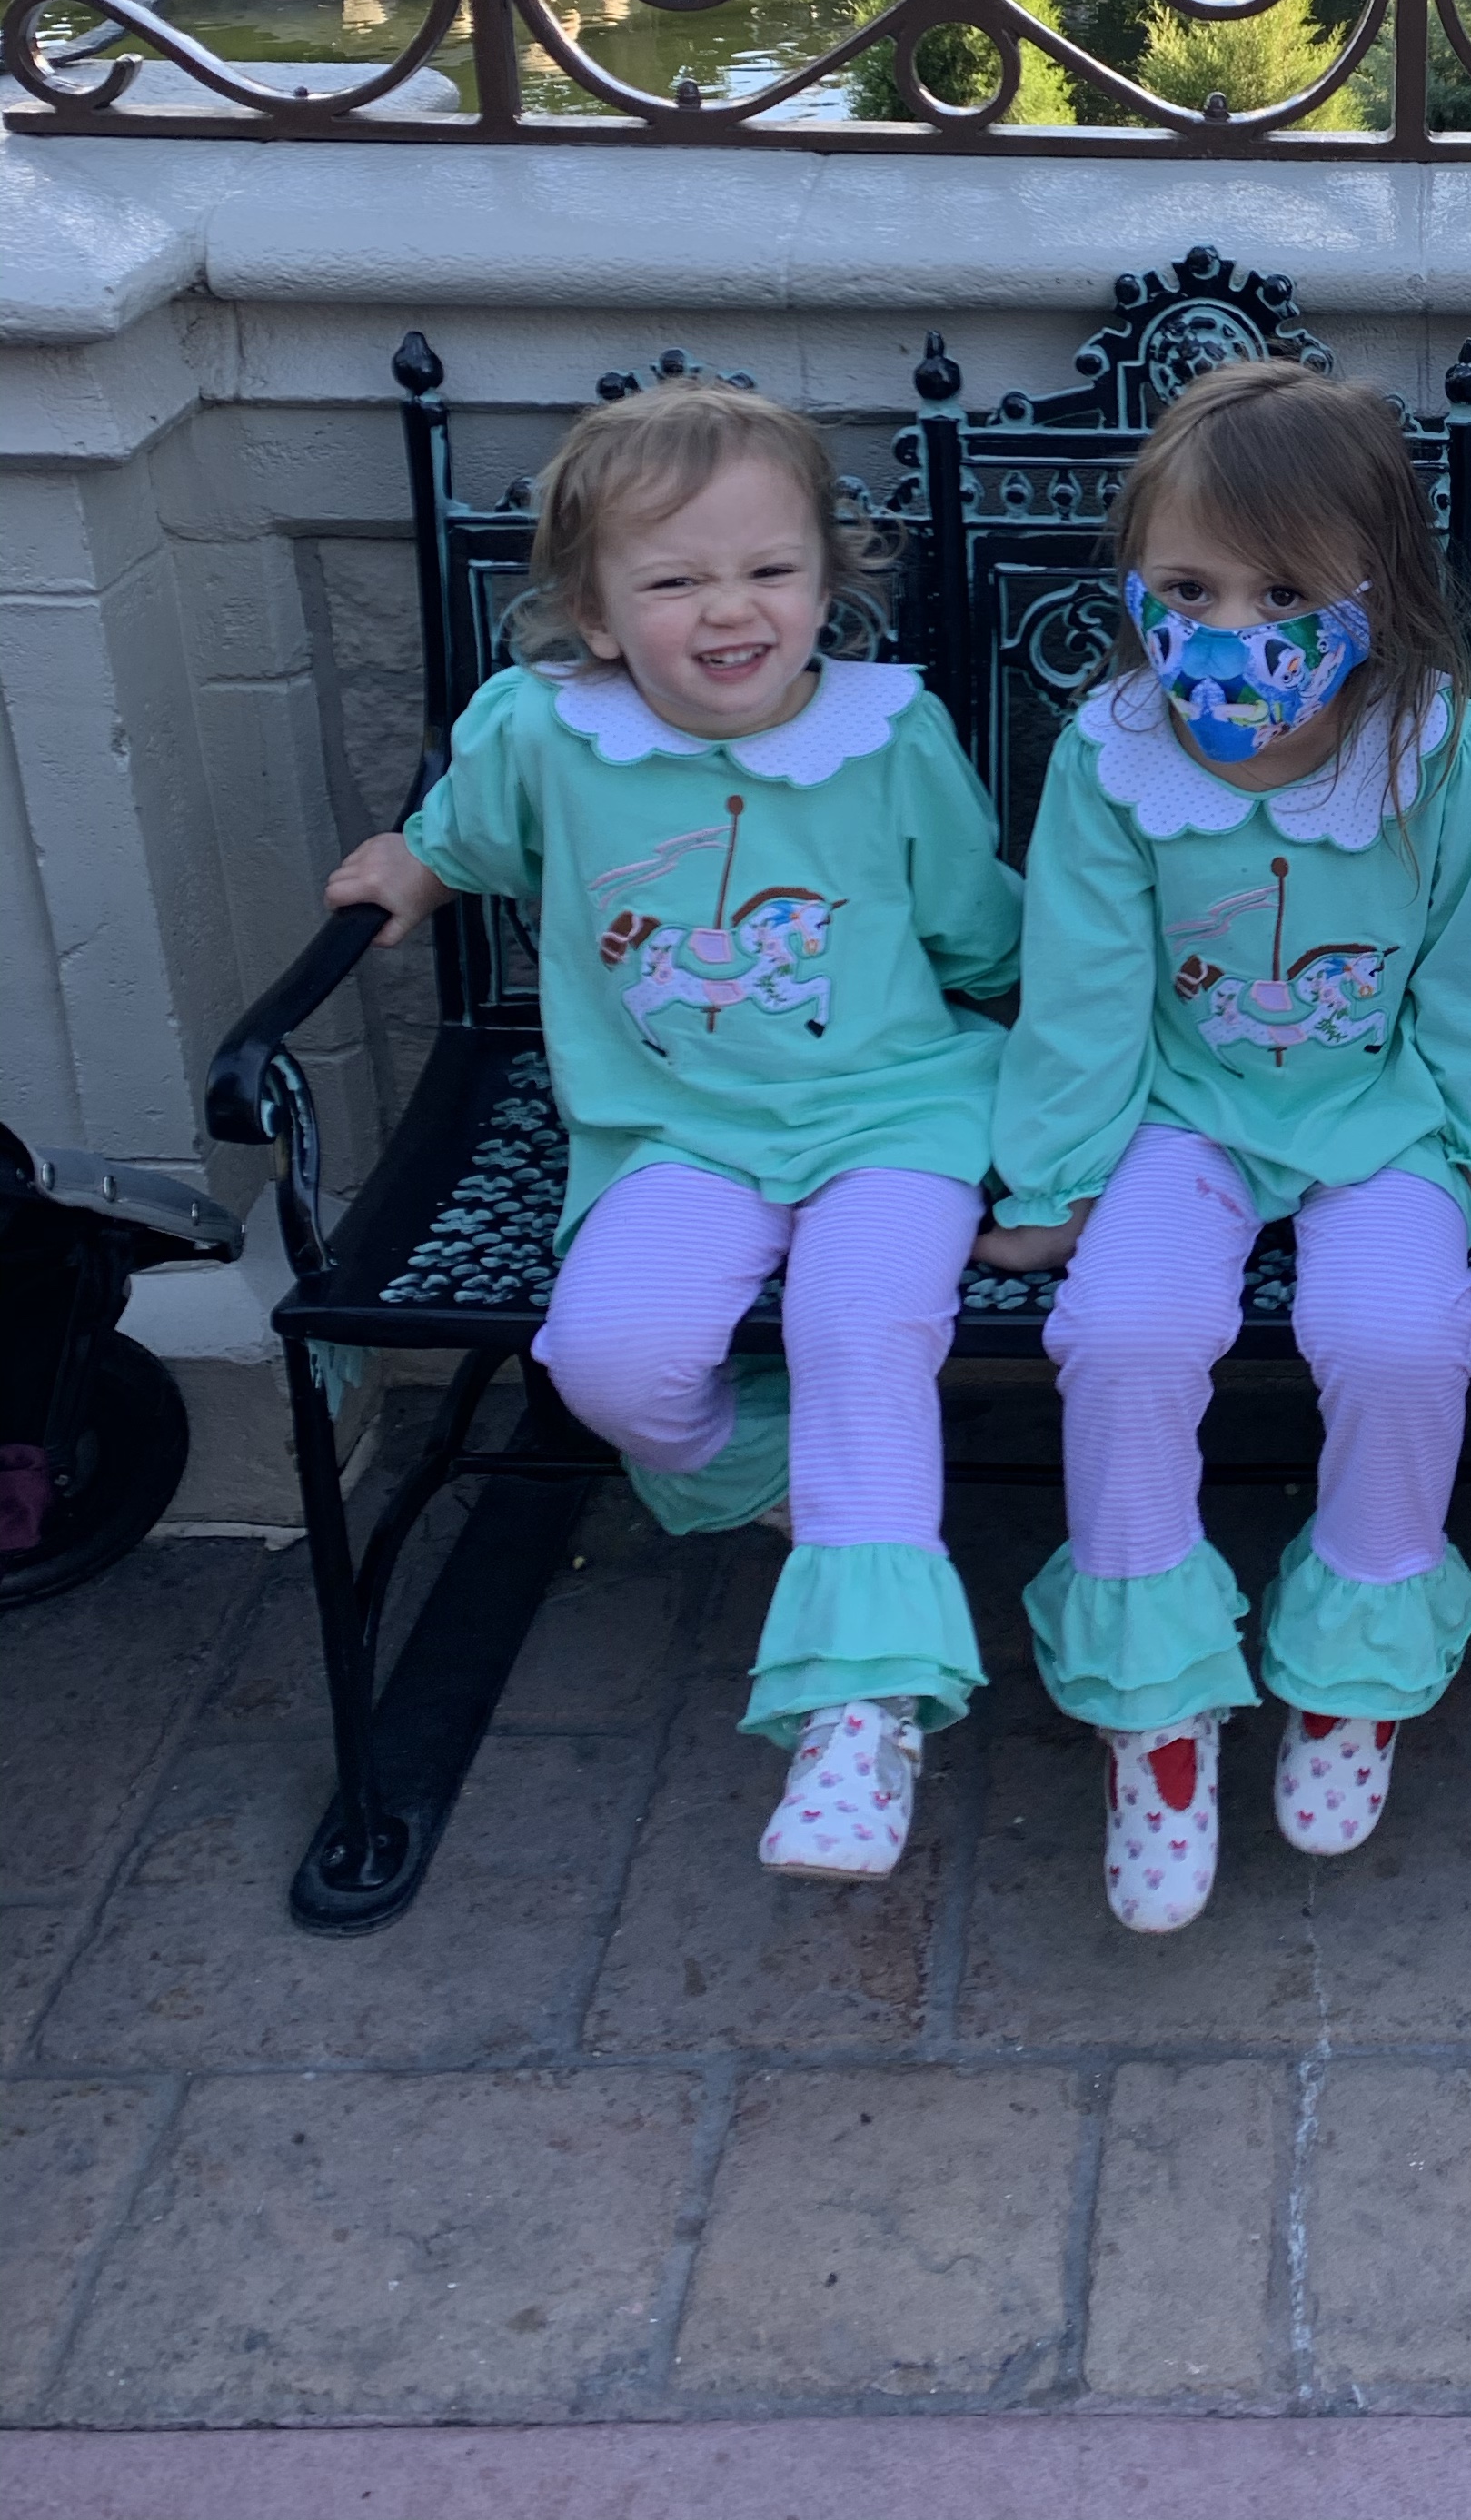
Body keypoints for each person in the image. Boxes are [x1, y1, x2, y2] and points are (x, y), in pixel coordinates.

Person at [323, 377, 1021, 1883]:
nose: (730, 610)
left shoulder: (888, 734)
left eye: (771, 569)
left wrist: (1075, 1055)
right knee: (608, 1363)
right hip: (675, 1133)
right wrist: (413, 873)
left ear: (828, 583)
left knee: (859, 1325)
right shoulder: (545, 733)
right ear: (593, 612)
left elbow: (976, 926)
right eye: (675, 581)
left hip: (896, 1109)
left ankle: (861, 1711)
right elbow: (466, 838)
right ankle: (800, 1496)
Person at [983, 361, 1471, 1933]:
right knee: (1122, 1330)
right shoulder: (1114, 757)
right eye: (1189, 589)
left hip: (1380, 1118)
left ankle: (1355, 1666)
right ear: (1139, 582)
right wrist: (1058, 1185)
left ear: (1377, 592)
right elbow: (1086, 991)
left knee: (1398, 1337)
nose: (1232, 631)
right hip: (1184, 1117)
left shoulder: (1445, 757)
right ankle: (1153, 1704)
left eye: (1286, 593)